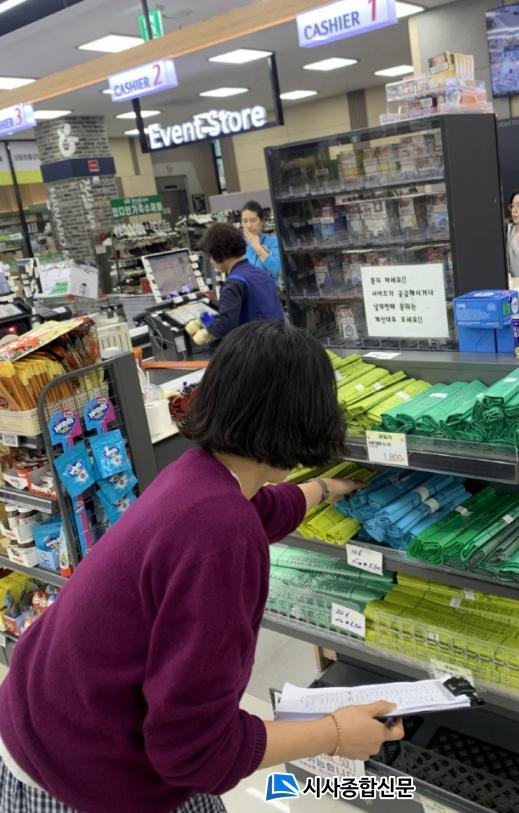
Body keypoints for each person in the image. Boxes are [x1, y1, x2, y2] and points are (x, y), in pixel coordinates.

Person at [0, 321, 405, 813]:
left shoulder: (198, 476)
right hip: (82, 775)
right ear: (305, 418)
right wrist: (336, 732)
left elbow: (262, 508)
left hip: (47, 719)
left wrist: (325, 489)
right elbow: (197, 753)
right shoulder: (222, 539)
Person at [187, 223, 284, 345]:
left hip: (256, 349)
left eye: (210, 256)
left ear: (218, 254)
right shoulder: (261, 274)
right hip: (279, 344)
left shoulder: (233, 284)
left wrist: (207, 328)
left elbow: (226, 324)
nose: (211, 261)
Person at [241, 200, 282, 284]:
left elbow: (277, 269)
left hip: (268, 290)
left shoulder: (273, 241)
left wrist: (258, 248)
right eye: (245, 221)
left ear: (262, 221)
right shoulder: (238, 245)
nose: (249, 225)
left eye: (253, 221)